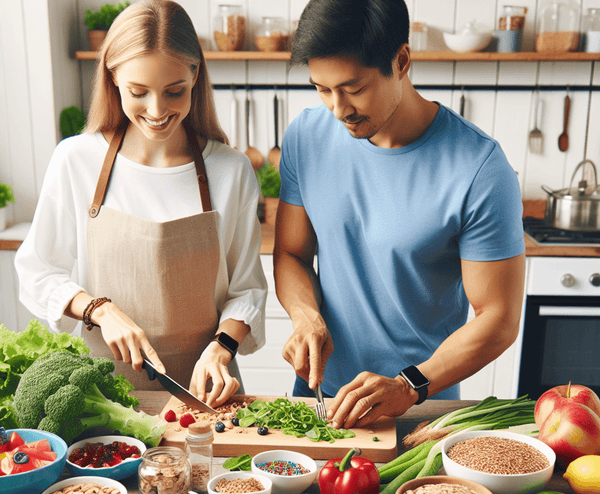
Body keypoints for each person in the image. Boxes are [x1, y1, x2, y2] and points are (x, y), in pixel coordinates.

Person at [273, 0, 526, 429]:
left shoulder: (480, 168)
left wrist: (409, 385)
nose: (338, 109)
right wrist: (306, 317)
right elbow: (291, 254)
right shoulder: (305, 136)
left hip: (417, 408)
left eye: (353, 88)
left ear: (401, 60)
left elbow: (499, 319)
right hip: (317, 400)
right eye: (322, 88)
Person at [15, 0, 267, 406]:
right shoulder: (76, 160)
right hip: (102, 398)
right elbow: (37, 271)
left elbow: (247, 290)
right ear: (113, 76)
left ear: (195, 75)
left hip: (204, 399)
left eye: (174, 92)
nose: (156, 111)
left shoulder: (230, 170)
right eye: (138, 92)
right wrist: (99, 309)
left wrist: (222, 347)